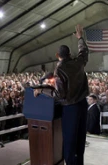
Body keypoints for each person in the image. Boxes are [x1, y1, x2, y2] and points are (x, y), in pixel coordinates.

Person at [34, 24, 89, 165]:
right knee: (80, 140)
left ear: (58, 55)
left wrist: (41, 90)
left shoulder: (60, 69)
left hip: (70, 108)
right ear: (70, 54)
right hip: (83, 105)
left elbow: (59, 94)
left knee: (70, 142)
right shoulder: (78, 62)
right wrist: (80, 38)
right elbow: (84, 51)